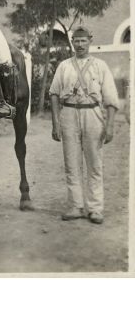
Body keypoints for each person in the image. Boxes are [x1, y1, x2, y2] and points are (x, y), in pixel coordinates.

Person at [49, 25, 119, 224]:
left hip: (92, 115)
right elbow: (54, 94)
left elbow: (111, 99)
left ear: (90, 41)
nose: (80, 45)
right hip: (69, 114)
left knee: (94, 164)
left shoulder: (100, 66)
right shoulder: (64, 66)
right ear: (72, 43)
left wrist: (111, 125)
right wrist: (55, 123)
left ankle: (95, 209)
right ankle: (76, 206)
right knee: (71, 163)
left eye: (83, 40)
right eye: (76, 41)